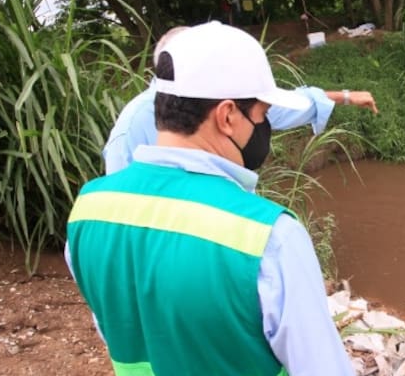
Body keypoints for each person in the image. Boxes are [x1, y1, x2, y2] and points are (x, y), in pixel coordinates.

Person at [66, 21, 354, 375]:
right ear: (227, 116)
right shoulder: (270, 238)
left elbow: (114, 325)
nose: (264, 129)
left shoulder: (87, 212)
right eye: (262, 115)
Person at [103, 23, 378, 174]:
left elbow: (284, 106)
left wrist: (345, 96)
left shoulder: (223, 98)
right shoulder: (132, 128)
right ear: (226, 116)